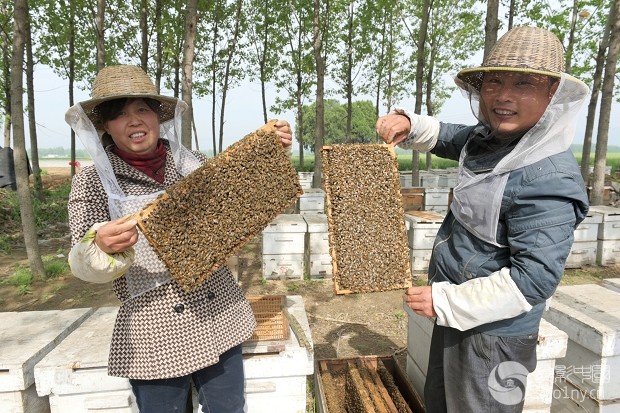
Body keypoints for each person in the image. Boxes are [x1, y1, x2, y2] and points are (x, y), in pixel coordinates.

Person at [376, 26, 590, 412]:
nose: (504, 96)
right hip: (459, 313)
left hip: (496, 336)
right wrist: (412, 125)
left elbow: (533, 281)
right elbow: (457, 137)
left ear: (551, 93)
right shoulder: (497, 137)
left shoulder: (550, 178)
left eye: (524, 84)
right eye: (495, 81)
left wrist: (446, 300)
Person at [65, 64, 293, 413]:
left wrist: (269, 150)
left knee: (230, 408)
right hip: (154, 329)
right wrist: (99, 246)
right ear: (106, 126)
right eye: (121, 113)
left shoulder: (192, 163)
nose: (135, 120)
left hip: (219, 310)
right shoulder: (93, 181)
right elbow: (82, 262)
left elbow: (236, 209)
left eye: (143, 109)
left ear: (158, 117)